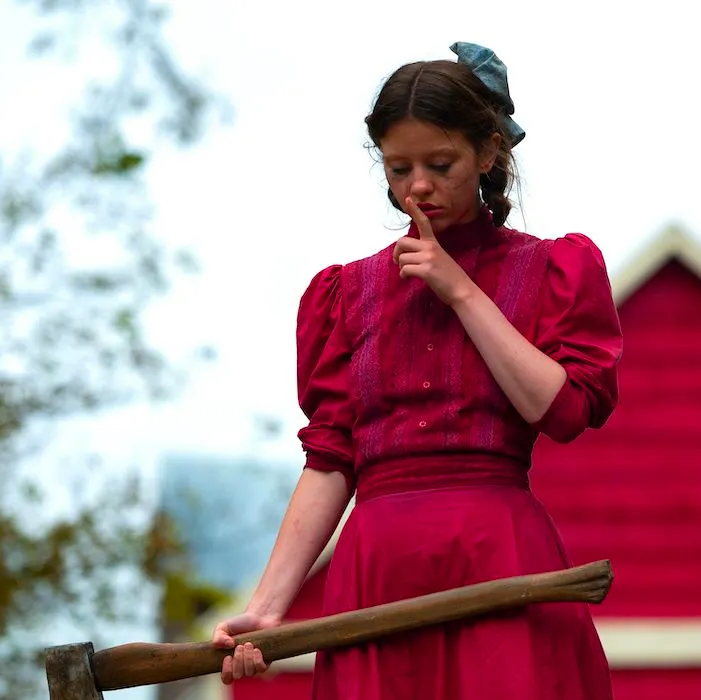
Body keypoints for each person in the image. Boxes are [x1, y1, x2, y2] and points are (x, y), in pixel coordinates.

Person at [210, 41, 623, 700]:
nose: (417, 187)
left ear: (489, 154)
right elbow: (330, 458)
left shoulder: (551, 270)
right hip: (376, 570)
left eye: (440, 163)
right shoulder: (346, 292)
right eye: (399, 168)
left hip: (499, 556)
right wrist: (268, 607)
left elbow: (565, 410)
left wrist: (460, 291)